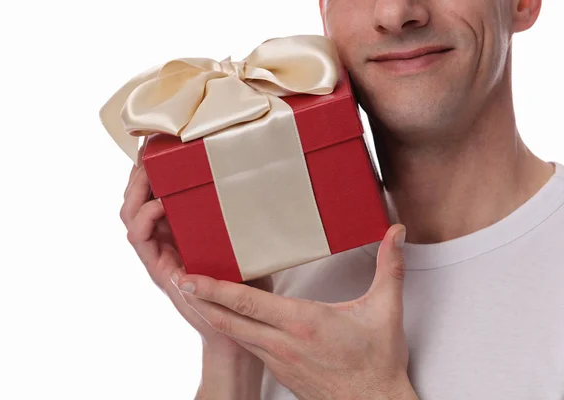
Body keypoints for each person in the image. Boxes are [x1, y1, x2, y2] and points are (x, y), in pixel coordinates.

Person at [119, 0, 564, 398]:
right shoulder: (282, 272)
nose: (395, 13)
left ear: (523, 4)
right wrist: (234, 346)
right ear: (324, 12)